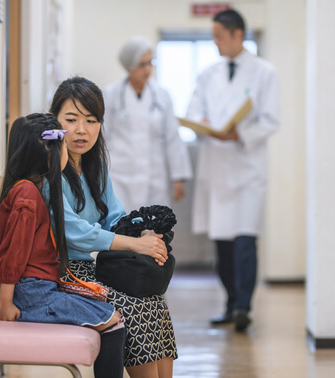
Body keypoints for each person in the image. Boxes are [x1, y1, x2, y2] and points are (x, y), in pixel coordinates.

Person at [48, 76, 177, 378]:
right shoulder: (48, 168)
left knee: (155, 302)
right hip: (59, 275)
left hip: (88, 273)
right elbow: (72, 230)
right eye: (71, 119)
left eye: (92, 120)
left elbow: (114, 216)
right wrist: (134, 245)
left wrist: (142, 231)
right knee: (133, 308)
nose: (82, 130)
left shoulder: (95, 166)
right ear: (54, 122)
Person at [0, 113, 126, 378]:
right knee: (113, 321)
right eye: (62, 143)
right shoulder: (27, 194)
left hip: (36, 290)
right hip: (31, 295)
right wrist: (6, 303)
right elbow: (13, 253)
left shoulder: (29, 190)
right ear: (49, 153)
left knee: (110, 312)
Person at [185, 8, 280, 332]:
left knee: (244, 241)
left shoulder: (265, 72)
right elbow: (194, 111)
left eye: (219, 37)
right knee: (222, 245)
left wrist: (239, 133)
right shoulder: (209, 73)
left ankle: (243, 306)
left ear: (238, 35)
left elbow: (270, 120)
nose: (215, 43)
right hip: (217, 166)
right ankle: (229, 304)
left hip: (246, 168)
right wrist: (206, 124)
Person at [103, 35, 192, 211]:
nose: (147, 69)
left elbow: (173, 138)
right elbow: (103, 136)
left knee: (153, 230)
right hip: (120, 176)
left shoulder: (162, 95)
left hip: (154, 176)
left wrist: (178, 177)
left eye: (150, 63)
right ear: (129, 66)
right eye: (141, 64)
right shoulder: (111, 94)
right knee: (122, 227)